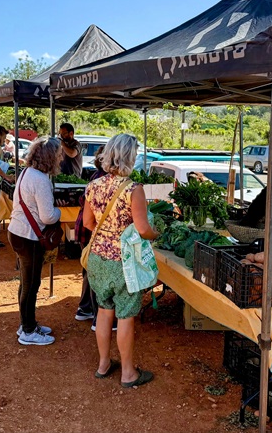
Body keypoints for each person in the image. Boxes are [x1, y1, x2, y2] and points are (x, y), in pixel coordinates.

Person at [83, 133, 160, 388]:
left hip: (97, 260)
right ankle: (128, 373)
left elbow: (87, 223)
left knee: (104, 311)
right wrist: (156, 233)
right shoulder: (133, 189)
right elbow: (142, 230)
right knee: (125, 316)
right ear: (130, 156)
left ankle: (103, 364)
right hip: (123, 263)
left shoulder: (93, 185)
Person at [8, 137, 63, 346]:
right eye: (58, 155)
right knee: (31, 284)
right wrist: (60, 211)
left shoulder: (27, 172)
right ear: (50, 157)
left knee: (26, 282)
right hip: (29, 237)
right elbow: (48, 216)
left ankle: (27, 323)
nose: (60, 159)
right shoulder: (40, 179)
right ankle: (28, 331)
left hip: (18, 232)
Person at [74, 146, 107, 326]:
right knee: (96, 273)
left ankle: (85, 308)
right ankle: (97, 316)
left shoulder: (96, 176)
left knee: (89, 271)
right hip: (91, 231)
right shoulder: (102, 180)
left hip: (85, 230)